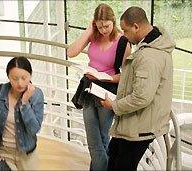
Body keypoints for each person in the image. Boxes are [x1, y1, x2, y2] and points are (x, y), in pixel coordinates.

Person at [101, 6, 175, 171]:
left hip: (139, 128)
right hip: (134, 124)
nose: (124, 36)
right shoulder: (149, 47)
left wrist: (113, 105)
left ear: (136, 26)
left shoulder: (149, 57)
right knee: (112, 157)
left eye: (126, 31)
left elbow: (142, 97)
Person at [67, 3, 131, 170]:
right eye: (99, 26)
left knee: (102, 137)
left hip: (107, 91)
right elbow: (70, 52)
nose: (103, 30)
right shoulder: (93, 35)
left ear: (113, 21)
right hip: (89, 89)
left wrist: (107, 78)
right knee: (93, 138)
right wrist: (89, 30)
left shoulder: (123, 42)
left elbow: (126, 75)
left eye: (107, 26)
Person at [0, 57, 44, 170]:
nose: (20, 83)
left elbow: (34, 129)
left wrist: (24, 103)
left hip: (27, 154)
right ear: (8, 77)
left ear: (30, 75)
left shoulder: (36, 95)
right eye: (15, 78)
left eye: (24, 78)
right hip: (3, 152)